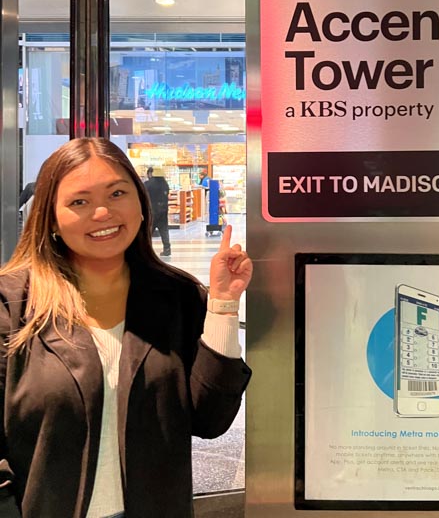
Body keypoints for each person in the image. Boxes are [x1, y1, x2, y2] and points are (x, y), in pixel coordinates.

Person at [0, 138, 252, 518]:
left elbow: (210, 419)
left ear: (140, 202)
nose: (103, 212)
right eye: (79, 201)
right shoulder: (13, 304)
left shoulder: (177, 296)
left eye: (117, 193)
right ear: (51, 217)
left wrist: (223, 305)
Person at [144, 166, 171, 257]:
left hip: (152, 211)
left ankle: (147, 251)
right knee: (164, 230)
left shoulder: (148, 184)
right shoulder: (165, 184)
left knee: (148, 231)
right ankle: (167, 249)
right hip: (163, 210)